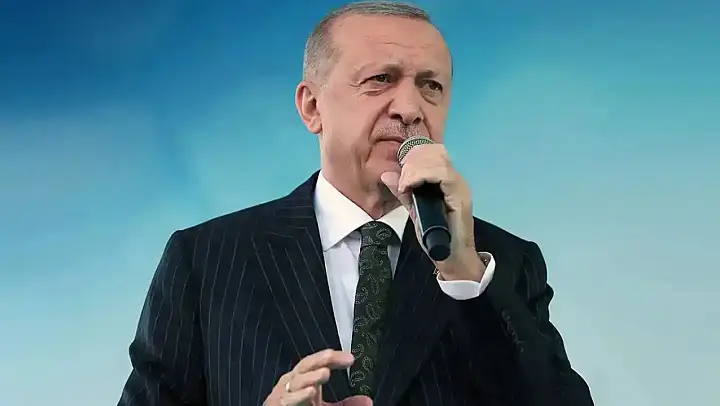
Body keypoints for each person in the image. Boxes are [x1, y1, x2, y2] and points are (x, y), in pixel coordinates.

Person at [117, 2, 594, 405]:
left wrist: (462, 271)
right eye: (381, 79)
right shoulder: (207, 260)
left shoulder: (502, 263)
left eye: (431, 86)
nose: (410, 108)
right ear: (312, 107)